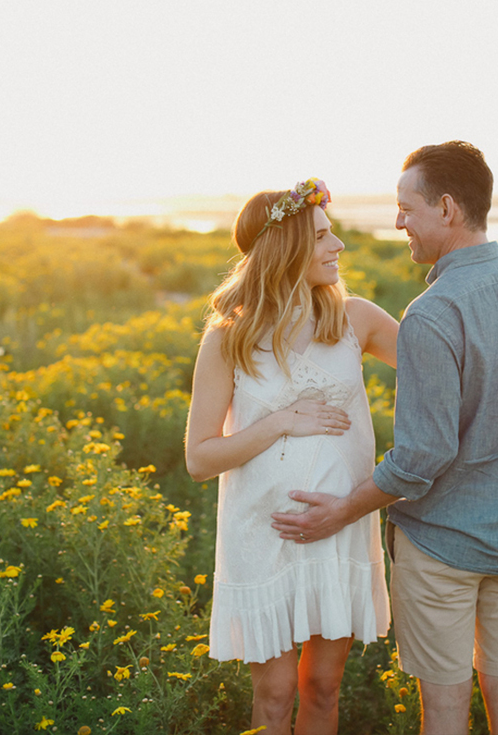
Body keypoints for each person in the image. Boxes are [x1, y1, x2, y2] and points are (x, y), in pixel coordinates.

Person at [272, 142, 498, 735]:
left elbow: (422, 457)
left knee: (443, 714)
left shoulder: (433, 312)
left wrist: (341, 511)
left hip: (442, 551)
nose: (398, 223)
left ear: (446, 208)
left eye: (405, 208)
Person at [184, 178, 399, 735]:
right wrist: (281, 420)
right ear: (286, 249)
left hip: (339, 529)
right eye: (324, 236)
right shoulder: (228, 337)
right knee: (276, 695)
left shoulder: (355, 319)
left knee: (322, 688)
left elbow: (450, 360)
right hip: (262, 533)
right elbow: (200, 459)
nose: (338, 247)